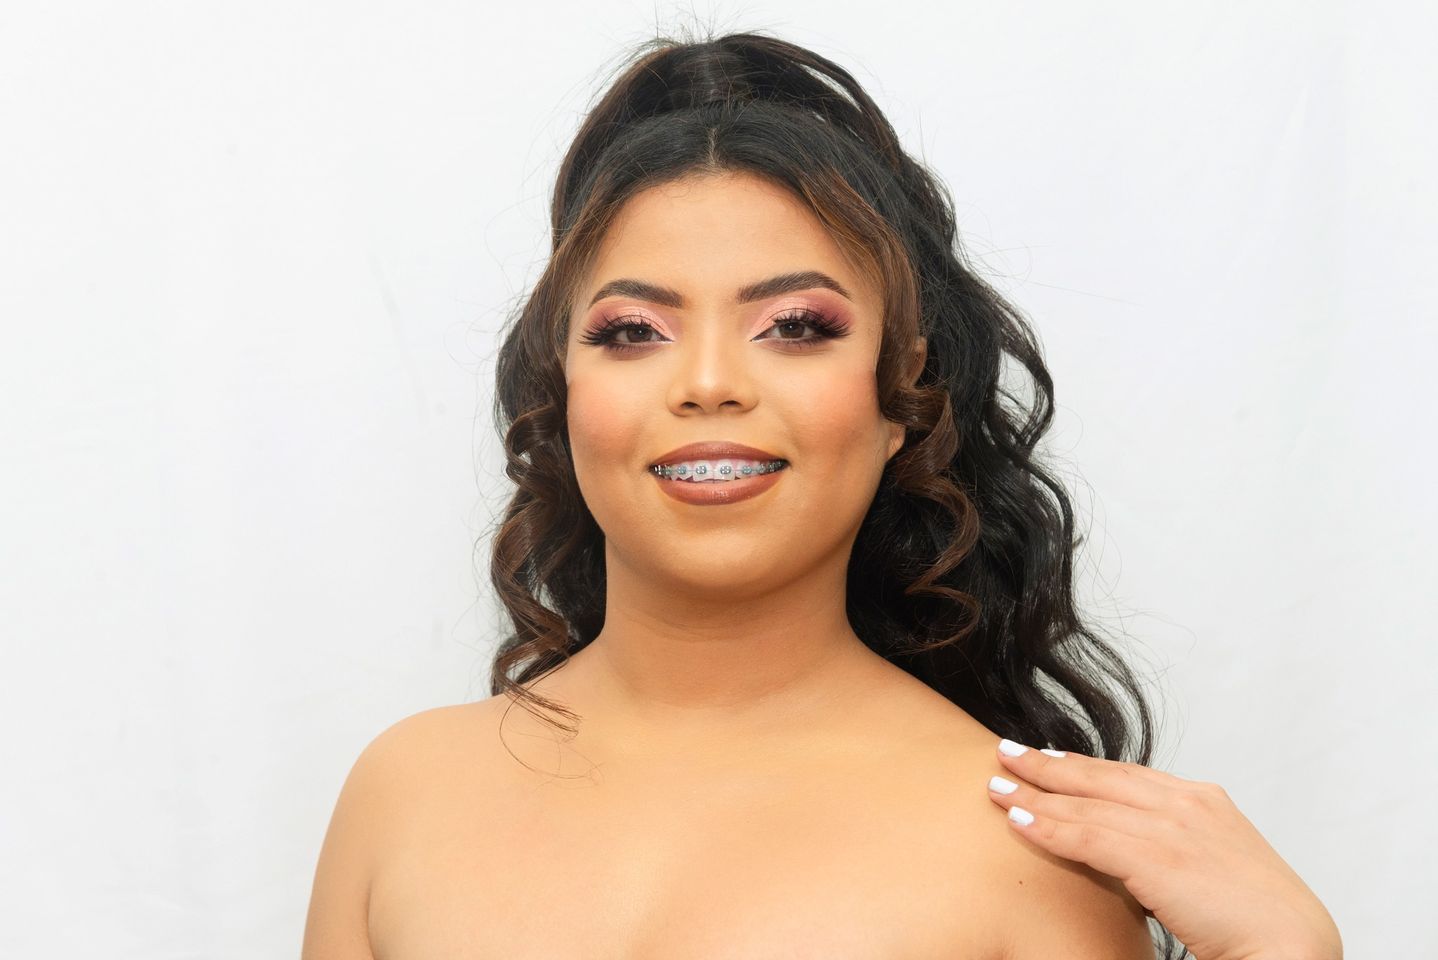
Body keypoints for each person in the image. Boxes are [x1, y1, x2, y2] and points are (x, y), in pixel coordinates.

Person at [302, 29, 1342, 960]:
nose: (709, 381)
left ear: (902, 396)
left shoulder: (1029, 847)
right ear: (560, 392)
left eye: (796, 327)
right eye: (633, 331)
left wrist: (1283, 953)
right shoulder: (403, 796)